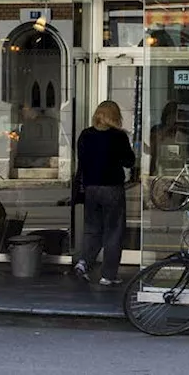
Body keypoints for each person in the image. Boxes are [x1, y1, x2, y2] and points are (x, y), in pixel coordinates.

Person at [74, 100, 136, 286]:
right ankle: (108, 275)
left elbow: (82, 163)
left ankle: (84, 262)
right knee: (113, 231)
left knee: (92, 229)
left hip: (91, 188)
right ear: (115, 116)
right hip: (112, 188)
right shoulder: (118, 136)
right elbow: (129, 161)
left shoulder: (85, 135)